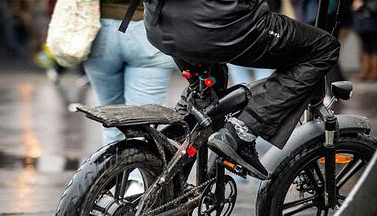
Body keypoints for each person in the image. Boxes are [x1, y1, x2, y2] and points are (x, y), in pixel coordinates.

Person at [138, 0, 340, 178]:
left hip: (161, 24)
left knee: (206, 93)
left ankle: (167, 173)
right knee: (323, 48)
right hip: (223, 24)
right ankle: (242, 132)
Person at [84, 0, 175, 146]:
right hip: (149, 29)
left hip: (100, 30)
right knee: (143, 125)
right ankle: (136, 166)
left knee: (110, 121)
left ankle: (111, 167)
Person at [352, 0, 377, 81]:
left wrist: (362, 5)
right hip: (363, 25)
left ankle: (375, 72)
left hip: (375, 25)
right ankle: (365, 71)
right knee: (365, 49)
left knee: (376, 49)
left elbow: (376, 7)